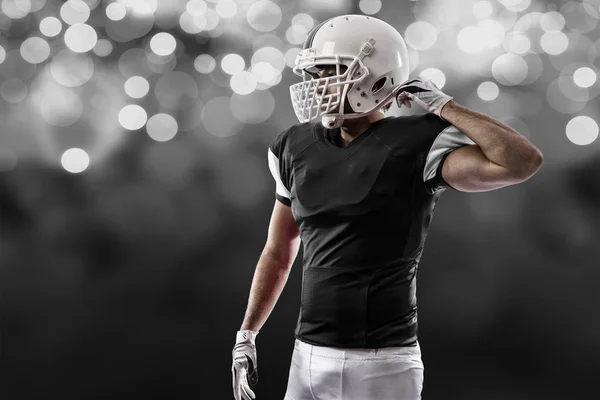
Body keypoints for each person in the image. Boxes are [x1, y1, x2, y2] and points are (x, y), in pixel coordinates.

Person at [231, 14, 543, 400]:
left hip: (382, 363)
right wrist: (248, 331)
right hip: (306, 355)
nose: (316, 85)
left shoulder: (414, 142)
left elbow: (521, 161)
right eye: (313, 74)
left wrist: (446, 106)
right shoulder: (292, 146)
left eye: (329, 72)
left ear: (374, 76)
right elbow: (279, 251)